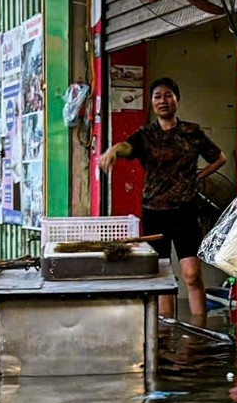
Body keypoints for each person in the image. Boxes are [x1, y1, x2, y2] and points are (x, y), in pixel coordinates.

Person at [96, 77, 227, 320]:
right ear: (152, 103)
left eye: (168, 95)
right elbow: (127, 147)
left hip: (185, 210)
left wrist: (199, 177)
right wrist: (114, 150)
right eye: (157, 96)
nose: (162, 101)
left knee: (191, 273)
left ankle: (199, 331)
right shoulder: (146, 135)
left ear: (177, 99)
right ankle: (166, 330)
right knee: (163, 274)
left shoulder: (192, 132)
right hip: (154, 212)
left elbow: (219, 158)